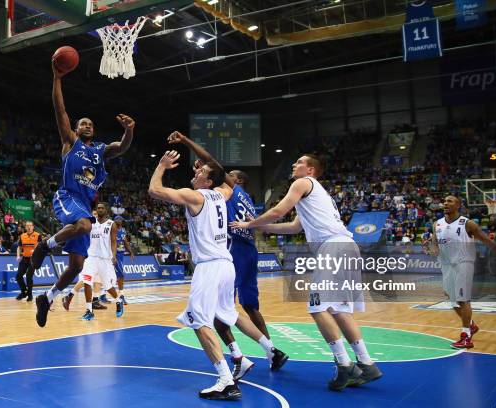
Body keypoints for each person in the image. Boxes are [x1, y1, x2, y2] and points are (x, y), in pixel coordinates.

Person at [231, 154, 383, 391]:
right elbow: (294, 226)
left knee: (317, 307)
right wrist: (261, 225)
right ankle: (366, 363)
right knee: (339, 309)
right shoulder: (315, 193)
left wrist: (249, 225)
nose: (294, 165)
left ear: (311, 170)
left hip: (333, 247)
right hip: (346, 246)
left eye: (299, 163)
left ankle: (344, 365)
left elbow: (280, 210)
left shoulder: (301, 183)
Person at [148, 150, 283, 401]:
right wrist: (210, 171)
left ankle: (225, 380)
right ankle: (261, 353)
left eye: (200, 172)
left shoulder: (194, 195)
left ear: (209, 182)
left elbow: (155, 190)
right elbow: (225, 183)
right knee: (227, 314)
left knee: (199, 321)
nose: (195, 171)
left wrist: (162, 165)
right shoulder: (223, 194)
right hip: (226, 265)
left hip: (210, 266)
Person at [31, 58, 135, 327]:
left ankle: (47, 297)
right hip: (67, 197)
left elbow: (122, 147)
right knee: (84, 225)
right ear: (76, 129)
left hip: (84, 204)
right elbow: (60, 110)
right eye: (82, 123)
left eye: (90, 123)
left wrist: (129, 131)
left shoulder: (101, 150)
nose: (87, 125)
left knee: (77, 266)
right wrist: (57, 78)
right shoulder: (70, 142)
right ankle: (46, 245)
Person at [428, 195, 496, 349]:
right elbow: (434, 244)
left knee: (463, 300)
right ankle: (471, 325)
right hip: (447, 266)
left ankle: (466, 337)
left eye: (450, 201)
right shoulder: (436, 225)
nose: (445, 203)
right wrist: (433, 249)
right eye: (444, 201)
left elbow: (489, 242)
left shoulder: (468, 224)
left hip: (464, 263)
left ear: (457, 205)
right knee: (452, 300)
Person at [61, 203, 125, 320]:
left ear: (106, 210)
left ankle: (118, 300)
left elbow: (113, 242)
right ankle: (89, 310)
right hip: (91, 257)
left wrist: (114, 255)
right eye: (98, 208)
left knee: (108, 286)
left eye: (102, 208)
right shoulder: (90, 223)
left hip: (105, 259)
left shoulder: (112, 224)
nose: (100, 210)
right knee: (87, 281)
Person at [108, 215, 134, 303]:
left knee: (111, 277)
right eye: (120, 220)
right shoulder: (111, 229)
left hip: (121, 255)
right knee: (121, 275)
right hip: (114, 255)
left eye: (122, 220)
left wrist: (130, 252)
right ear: (115, 220)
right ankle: (121, 295)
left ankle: (102, 295)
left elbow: (125, 242)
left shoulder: (123, 230)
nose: (121, 221)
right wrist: (112, 255)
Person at [15, 221, 41, 301]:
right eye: (27, 226)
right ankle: (23, 292)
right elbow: (19, 247)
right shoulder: (22, 236)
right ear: (25, 227)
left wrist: (36, 252)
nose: (29, 227)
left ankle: (30, 295)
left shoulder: (38, 235)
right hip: (24, 258)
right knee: (18, 276)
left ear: (33, 227)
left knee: (29, 276)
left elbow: (41, 247)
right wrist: (18, 256)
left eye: (30, 225)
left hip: (33, 259)